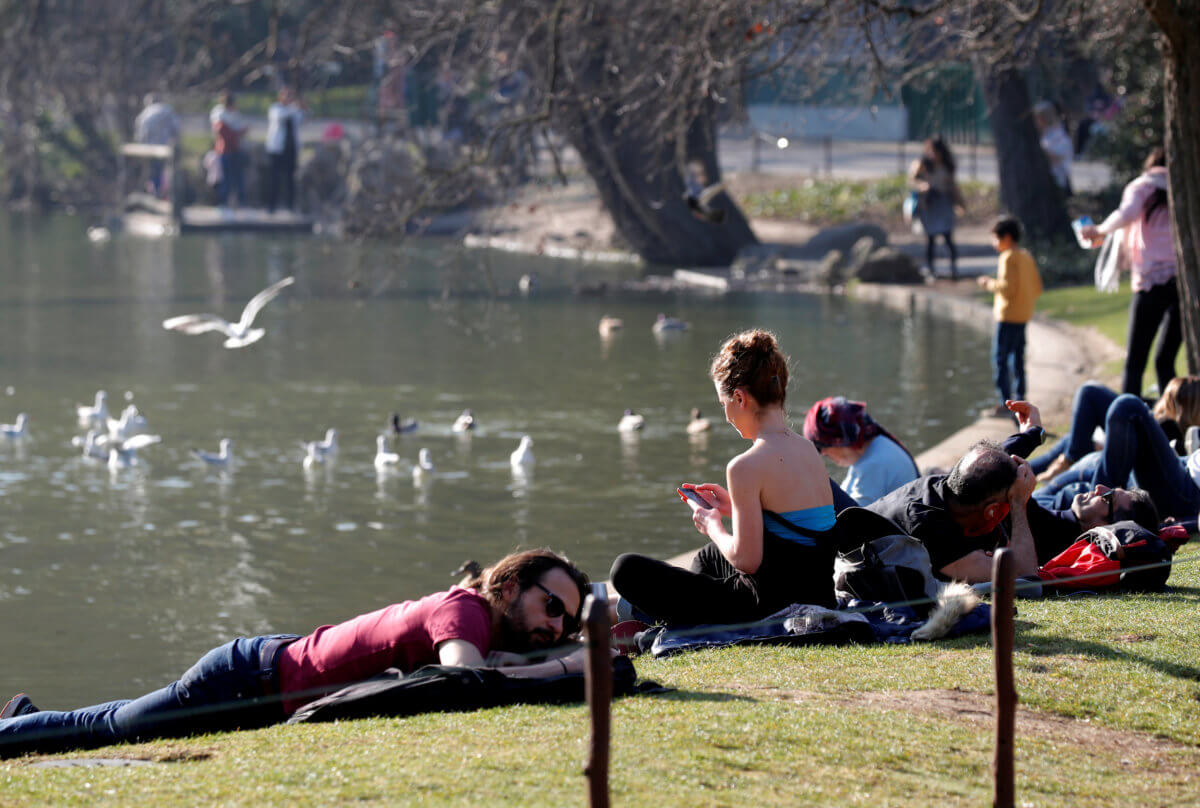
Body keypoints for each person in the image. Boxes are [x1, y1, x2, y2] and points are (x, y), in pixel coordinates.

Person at [0, 549, 590, 758]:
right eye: (552, 609)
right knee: (111, 730)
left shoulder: (476, 624)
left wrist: (549, 656)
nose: (554, 627)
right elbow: (466, 681)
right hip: (245, 680)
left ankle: (23, 719)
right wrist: (564, 668)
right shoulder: (461, 612)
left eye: (564, 623)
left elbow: (477, 667)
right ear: (510, 587)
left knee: (126, 717)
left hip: (263, 676)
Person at [610, 330, 838, 625]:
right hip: (817, 593)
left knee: (624, 569)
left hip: (767, 607)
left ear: (740, 398)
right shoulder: (807, 449)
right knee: (708, 558)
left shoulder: (745, 466)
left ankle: (679, 618)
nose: (726, 415)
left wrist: (713, 525)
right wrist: (734, 507)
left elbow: (747, 560)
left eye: (723, 404)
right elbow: (797, 529)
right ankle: (684, 616)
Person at [867, 402, 1155, 583]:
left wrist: (1030, 440)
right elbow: (985, 467)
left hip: (857, 539)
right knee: (1083, 455)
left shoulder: (942, 499)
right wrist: (1031, 436)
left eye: (1108, 498)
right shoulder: (949, 517)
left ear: (1105, 528)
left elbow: (1023, 575)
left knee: (1119, 411)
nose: (1099, 487)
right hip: (856, 539)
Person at [1081, 148, 1180, 396]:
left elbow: (1126, 214)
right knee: (1164, 361)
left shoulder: (1143, 187)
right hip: (1183, 285)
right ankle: (1179, 420)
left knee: (1135, 362)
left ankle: (1130, 421)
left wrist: (1101, 230)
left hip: (1151, 282)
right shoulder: (1186, 185)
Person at [1034, 385, 1199, 523]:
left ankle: (1095, 511)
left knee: (1127, 407)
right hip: (1184, 466)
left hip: (1186, 492)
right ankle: (1021, 486)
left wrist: (1188, 523)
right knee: (1083, 462)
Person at [1033, 378, 1200, 481]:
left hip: (1114, 451)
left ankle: (1069, 459)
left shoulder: (1170, 429)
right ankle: (1017, 467)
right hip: (1108, 443)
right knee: (1067, 443)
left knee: (1089, 392)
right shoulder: (1174, 427)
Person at [978, 217, 1043, 416]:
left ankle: (1005, 404)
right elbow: (1037, 287)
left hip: (1007, 318)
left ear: (1006, 238)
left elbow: (1007, 289)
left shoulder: (1008, 257)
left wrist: (988, 283)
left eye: (996, 239)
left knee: (1000, 360)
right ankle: (1021, 402)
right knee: (1018, 362)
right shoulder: (1026, 256)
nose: (994, 244)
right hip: (1023, 316)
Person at [802, 396, 919, 506]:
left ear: (841, 441)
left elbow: (855, 518)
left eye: (820, 447)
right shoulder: (873, 448)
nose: (823, 454)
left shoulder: (873, 464)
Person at [908, 136, 962, 280]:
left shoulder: (946, 166)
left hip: (944, 204)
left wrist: (960, 203)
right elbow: (912, 181)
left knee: (948, 238)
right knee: (930, 239)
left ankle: (953, 270)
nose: (934, 155)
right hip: (929, 204)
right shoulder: (922, 164)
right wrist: (922, 186)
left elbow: (953, 187)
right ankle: (931, 271)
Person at [265, 86, 306, 213]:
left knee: (290, 179)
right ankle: (271, 207)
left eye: (290, 96)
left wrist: (303, 107)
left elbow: (304, 117)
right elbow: (281, 116)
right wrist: (296, 106)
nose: (289, 99)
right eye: (287, 96)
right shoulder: (275, 108)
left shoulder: (293, 111)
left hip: (291, 149)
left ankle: (290, 206)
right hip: (276, 149)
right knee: (274, 178)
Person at [133, 92, 180, 198]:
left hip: (149, 147)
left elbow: (139, 133)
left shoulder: (145, 113)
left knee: (153, 171)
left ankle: (154, 192)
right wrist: (174, 140)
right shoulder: (167, 110)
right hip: (165, 147)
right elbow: (176, 128)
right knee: (164, 170)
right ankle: (162, 192)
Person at [209, 91, 249, 207]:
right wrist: (237, 133)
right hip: (224, 150)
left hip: (236, 149)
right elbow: (223, 132)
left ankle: (241, 202)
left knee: (238, 178)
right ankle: (223, 202)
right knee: (225, 178)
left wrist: (237, 132)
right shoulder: (219, 114)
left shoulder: (235, 114)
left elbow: (241, 129)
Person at [1034, 101, 1073, 196]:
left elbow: (1057, 158)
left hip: (1058, 183)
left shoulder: (1059, 135)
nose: (1035, 122)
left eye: (1038, 118)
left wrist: (1039, 151)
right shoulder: (1044, 135)